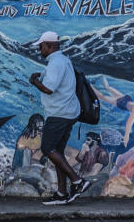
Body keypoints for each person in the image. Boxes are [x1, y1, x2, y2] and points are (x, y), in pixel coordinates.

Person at [27, 31, 91, 205]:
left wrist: (35, 81)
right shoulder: (64, 60)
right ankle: (62, 193)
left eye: (41, 46)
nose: (40, 49)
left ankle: (78, 181)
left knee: (48, 148)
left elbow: (49, 89)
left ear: (49, 45)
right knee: (58, 153)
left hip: (59, 114)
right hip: (68, 112)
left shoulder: (55, 63)